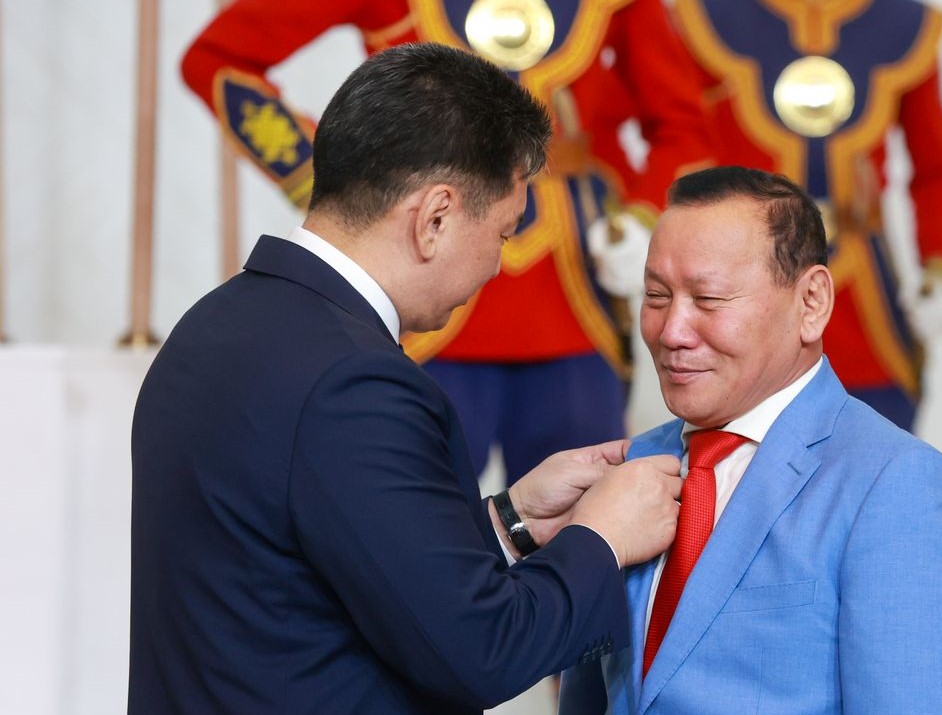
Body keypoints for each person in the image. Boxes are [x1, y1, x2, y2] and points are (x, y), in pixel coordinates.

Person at [129, 43, 686, 715]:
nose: (496, 266)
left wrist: (509, 521)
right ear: (434, 218)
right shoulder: (357, 383)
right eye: (503, 233)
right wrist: (602, 537)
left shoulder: (217, 322)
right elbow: (482, 653)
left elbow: (316, 566)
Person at [180, 0, 714, 487]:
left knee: (587, 515)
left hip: (571, 293)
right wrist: (330, 181)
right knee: (398, 512)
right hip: (419, 297)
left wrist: (642, 215)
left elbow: (682, 125)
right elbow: (219, 59)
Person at [558, 166, 942, 714]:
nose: (671, 332)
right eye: (656, 295)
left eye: (708, 299)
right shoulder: (636, 464)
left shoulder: (898, 487)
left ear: (811, 302)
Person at [667, 0, 942, 431]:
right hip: (743, 290)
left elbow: (935, 171)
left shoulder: (903, 24)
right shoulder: (706, 16)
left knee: (880, 453)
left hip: (865, 305)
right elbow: (680, 145)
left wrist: (939, 267)